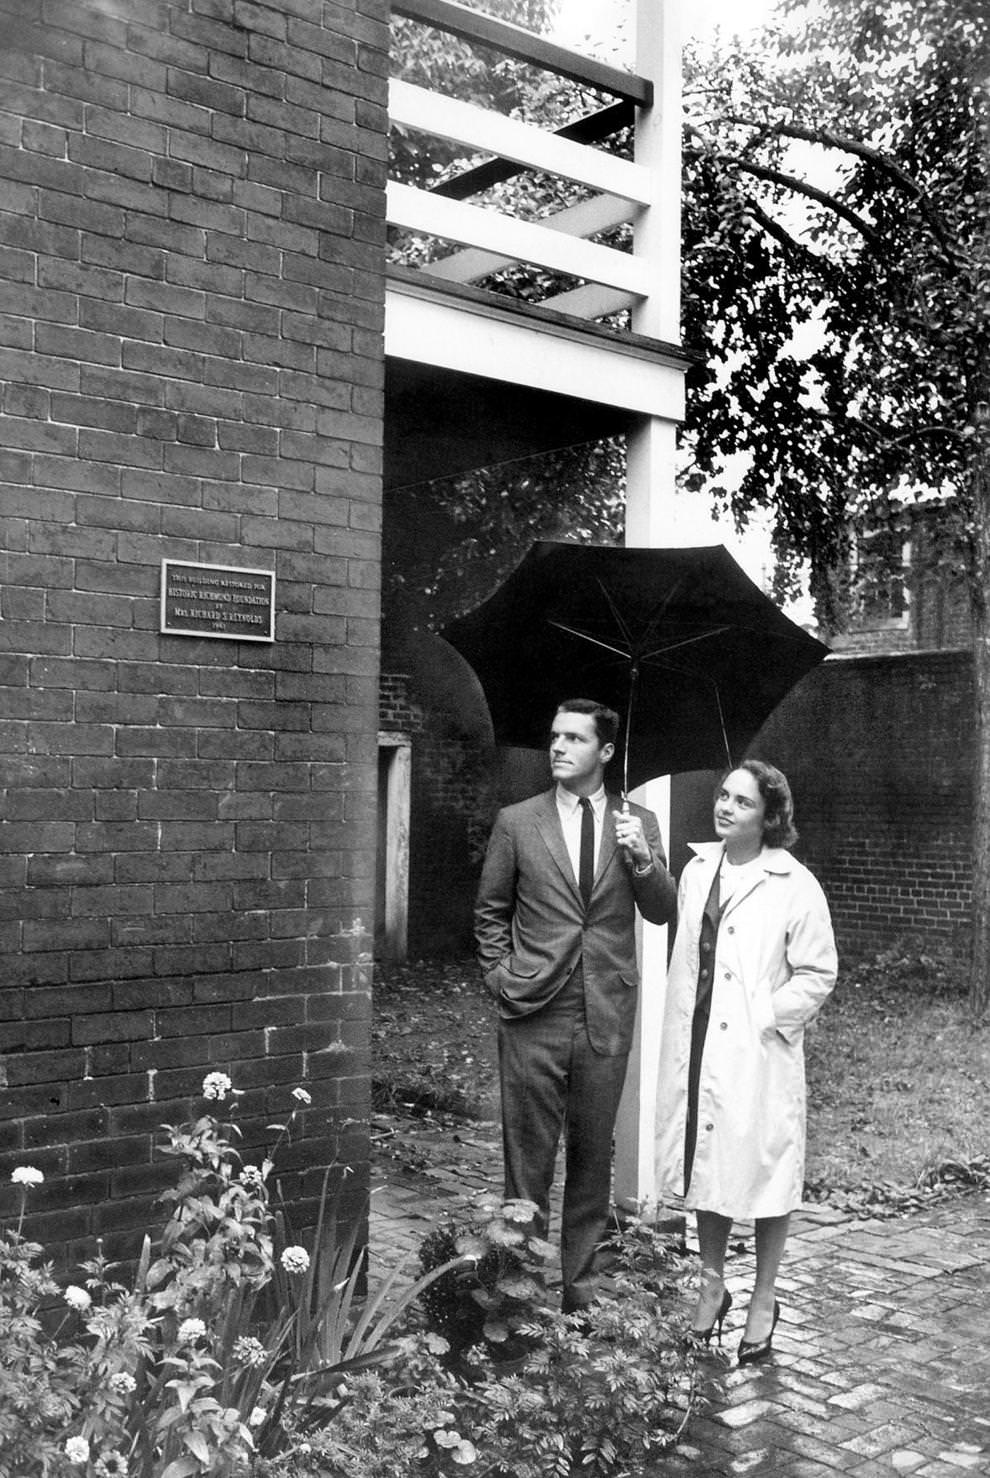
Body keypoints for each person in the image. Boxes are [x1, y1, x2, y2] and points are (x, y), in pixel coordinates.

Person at [474, 697, 677, 1314]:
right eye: (554, 735)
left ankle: (580, 1297)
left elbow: (662, 909)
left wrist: (642, 858)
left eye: (574, 739)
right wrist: (502, 977)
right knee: (527, 1162)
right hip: (533, 1008)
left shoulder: (637, 822)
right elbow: (490, 913)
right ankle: (520, 1299)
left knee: (594, 1160)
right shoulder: (518, 820)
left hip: (605, 1010)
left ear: (606, 752)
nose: (557, 747)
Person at [653, 759, 837, 1363]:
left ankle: (763, 1298)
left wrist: (768, 1014)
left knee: (763, 1173)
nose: (726, 807)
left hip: (758, 1052)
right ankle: (711, 1290)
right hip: (702, 1038)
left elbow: (818, 972)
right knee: (709, 1167)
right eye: (723, 795)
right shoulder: (697, 868)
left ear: (770, 816)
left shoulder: (794, 883)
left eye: (743, 802)